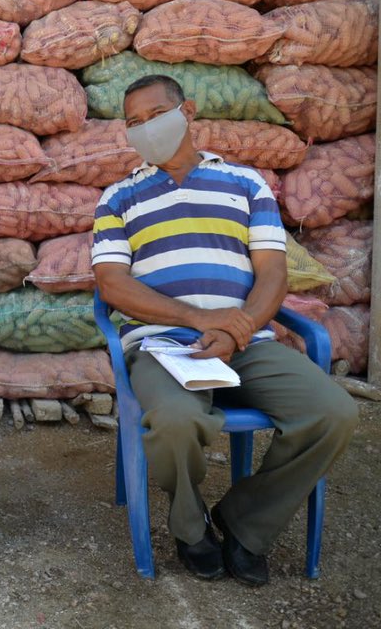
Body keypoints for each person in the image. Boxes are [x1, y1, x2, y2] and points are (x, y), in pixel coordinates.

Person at [91, 75, 357, 586]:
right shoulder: (117, 198)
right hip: (162, 345)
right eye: (133, 123)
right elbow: (113, 285)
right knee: (173, 421)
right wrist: (197, 319)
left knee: (333, 413)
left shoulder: (246, 183)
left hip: (246, 341)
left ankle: (245, 521)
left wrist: (237, 331)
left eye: (155, 115)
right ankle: (191, 528)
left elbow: (273, 273)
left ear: (187, 111)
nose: (145, 129)